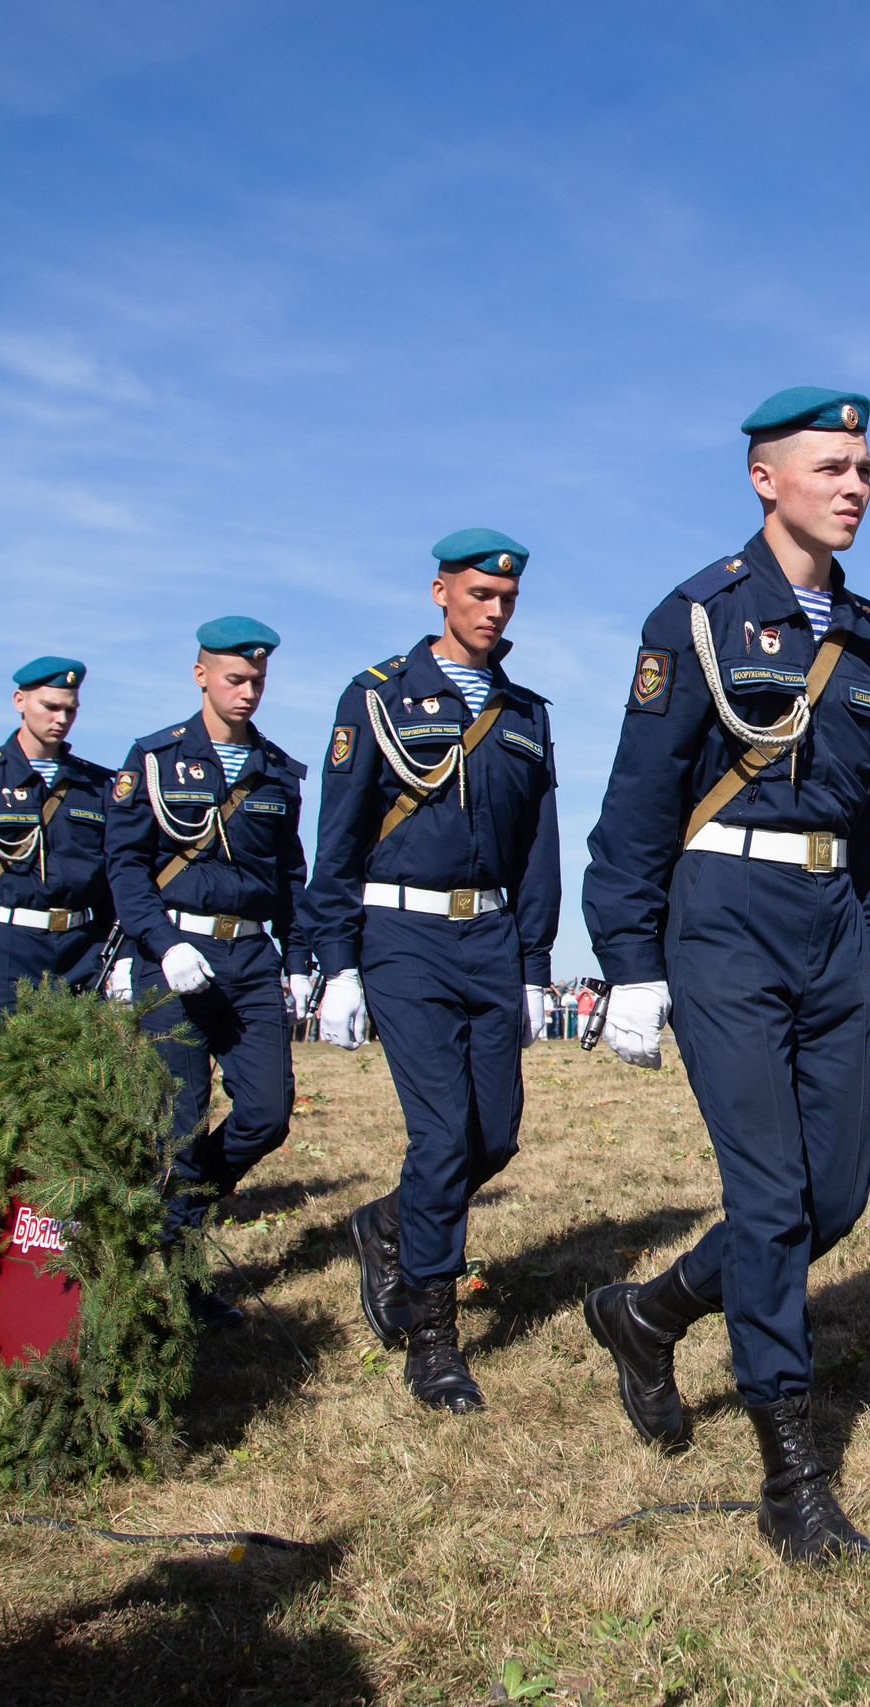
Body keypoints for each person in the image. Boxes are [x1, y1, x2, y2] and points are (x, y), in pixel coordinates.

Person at [579, 386, 870, 1563]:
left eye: (864, 468)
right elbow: (636, 801)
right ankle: (793, 1477)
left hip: (829, 920)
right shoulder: (698, 617)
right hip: (719, 914)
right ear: (765, 479)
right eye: (831, 467)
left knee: (835, 1200)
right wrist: (624, 961)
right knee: (770, 1200)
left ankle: (646, 1312)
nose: (855, 486)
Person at [302, 530, 560, 1414]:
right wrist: (334, 961)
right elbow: (335, 839)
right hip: (400, 937)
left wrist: (536, 964)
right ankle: (434, 1336)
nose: (494, 610)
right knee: (443, 1134)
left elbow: (537, 853)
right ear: (441, 592)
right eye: (479, 594)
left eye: (507, 598)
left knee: (495, 1136)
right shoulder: (375, 697)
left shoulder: (526, 714)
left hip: (491, 939)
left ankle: (385, 1223)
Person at [105, 617, 314, 1329]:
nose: (248, 690)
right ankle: (182, 1275)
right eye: (235, 677)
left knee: (267, 1111)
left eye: (258, 678)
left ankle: (173, 1217)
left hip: (250, 957)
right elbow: (126, 866)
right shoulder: (155, 759)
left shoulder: (278, 771)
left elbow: (290, 875)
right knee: (177, 1119)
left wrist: (304, 957)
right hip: (177, 957)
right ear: (201, 675)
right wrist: (161, 942)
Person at [0, 659, 114, 1019]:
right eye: (50, 707)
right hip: (7, 951)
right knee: (7, 1071)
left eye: (70, 709)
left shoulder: (96, 786)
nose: (61, 719)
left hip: (83, 950)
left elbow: (110, 881)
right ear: (19, 701)